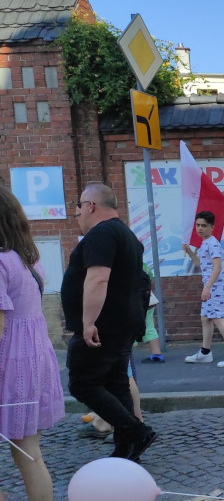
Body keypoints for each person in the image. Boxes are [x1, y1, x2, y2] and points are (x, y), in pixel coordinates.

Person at [61, 183, 156, 462]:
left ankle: (135, 431)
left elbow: (98, 278)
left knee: (82, 384)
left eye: (78, 207)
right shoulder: (127, 234)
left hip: (103, 326)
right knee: (116, 383)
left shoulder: (101, 234)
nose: (77, 214)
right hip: (123, 323)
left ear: (91, 205)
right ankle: (127, 448)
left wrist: (88, 322)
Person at [0, 187, 64, 501]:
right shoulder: (29, 259)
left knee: (26, 453)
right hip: (34, 362)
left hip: (8, 366)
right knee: (30, 454)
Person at [181, 211, 224, 367]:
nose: (200, 228)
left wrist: (207, 288)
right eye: (198, 225)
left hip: (215, 285)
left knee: (217, 318)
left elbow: (217, 267)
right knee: (206, 318)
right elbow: (201, 265)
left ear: (211, 227)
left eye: (204, 225)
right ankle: (205, 352)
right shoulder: (205, 243)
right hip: (211, 285)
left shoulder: (213, 243)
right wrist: (189, 252)